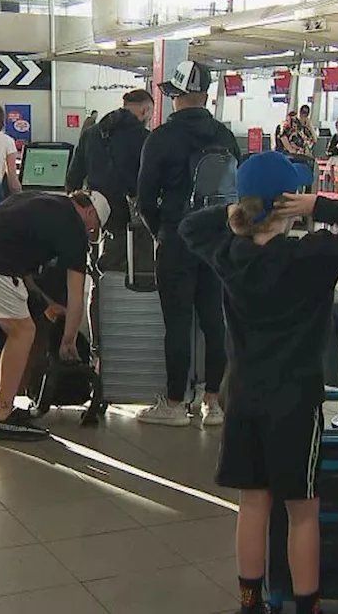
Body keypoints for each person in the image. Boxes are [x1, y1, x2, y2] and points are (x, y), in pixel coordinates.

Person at [180, 152, 338, 614]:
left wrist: (240, 208)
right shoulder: (312, 257)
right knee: (302, 510)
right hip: (295, 401)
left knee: (253, 504)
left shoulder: (228, 254)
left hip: (243, 397)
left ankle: (249, 602)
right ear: (289, 204)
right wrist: (319, 207)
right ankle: (306, 606)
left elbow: (189, 227)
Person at [0, 189, 111, 441]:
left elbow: (23, 268)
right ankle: (4, 418)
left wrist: (44, 303)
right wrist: (68, 340)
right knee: (24, 331)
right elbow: (76, 295)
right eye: (93, 229)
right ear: (89, 212)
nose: (89, 234)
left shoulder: (37, 200)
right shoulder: (74, 227)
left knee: (1, 335)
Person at [136, 60, 236, 427]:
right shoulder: (224, 136)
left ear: (175, 95)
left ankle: (175, 403)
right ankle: (213, 403)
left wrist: (160, 230)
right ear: (205, 95)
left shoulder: (161, 138)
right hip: (218, 241)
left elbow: (145, 197)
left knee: (177, 323)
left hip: (178, 238)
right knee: (214, 321)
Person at [65, 88, 154, 247]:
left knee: (100, 263)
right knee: (135, 263)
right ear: (145, 110)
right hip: (131, 219)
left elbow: (73, 178)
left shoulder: (90, 134)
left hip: (96, 214)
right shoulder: (146, 139)